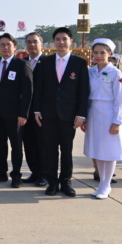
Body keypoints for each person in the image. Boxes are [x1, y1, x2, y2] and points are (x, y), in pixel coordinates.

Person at [34, 27, 90, 197]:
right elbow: (39, 89)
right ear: (53, 42)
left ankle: (66, 181)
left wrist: (81, 114)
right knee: (50, 150)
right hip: (48, 114)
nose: (61, 42)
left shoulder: (79, 63)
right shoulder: (45, 62)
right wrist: (37, 110)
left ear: (70, 41)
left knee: (66, 150)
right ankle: (52, 182)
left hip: (69, 115)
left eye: (64, 39)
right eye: (58, 39)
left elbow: (83, 91)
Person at [0, 33, 33, 188]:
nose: (5, 47)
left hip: (15, 115)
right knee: (0, 145)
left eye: (8, 45)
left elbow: (28, 91)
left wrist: (23, 114)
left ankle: (16, 175)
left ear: (15, 47)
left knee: (16, 146)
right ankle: (1, 172)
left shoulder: (22, 64)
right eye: (2, 45)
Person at [81, 39, 122, 199]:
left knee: (109, 151)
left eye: (102, 53)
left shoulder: (116, 73)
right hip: (93, 112)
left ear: (110, 54)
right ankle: (101, 183)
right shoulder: (90, 71)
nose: (98, 56)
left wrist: (117, 121)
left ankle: (106, 185)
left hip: (109, 113)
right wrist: (85, 117)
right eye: (96, 53)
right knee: (97, 150)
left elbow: (120, 99)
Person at [21, 32, 46, 186]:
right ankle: (34, 172)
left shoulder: (49, 62)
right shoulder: (21, 63)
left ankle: (44, 174)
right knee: (29, 144)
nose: (32, 45)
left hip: (43, 112)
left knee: (43, 144)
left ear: (41, 44)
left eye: (35, 42)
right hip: (26, 111)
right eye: (29, 42)